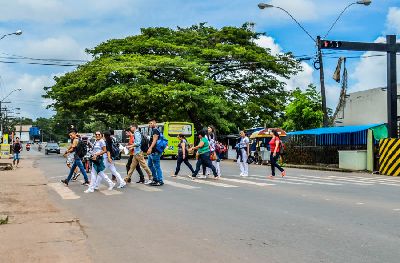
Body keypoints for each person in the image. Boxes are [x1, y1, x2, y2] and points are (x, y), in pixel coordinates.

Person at [146, 119, 164, 186]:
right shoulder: (153, 130)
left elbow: (155, 140)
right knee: (150, 164)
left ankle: (160, 180)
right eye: (149, 123)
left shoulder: (155, 130)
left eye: (151, 123)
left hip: (155, 151)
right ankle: (155, 179)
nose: (150, 124)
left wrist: (150, 148)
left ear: (154, 123)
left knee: (157, 166)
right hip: (153, 152)